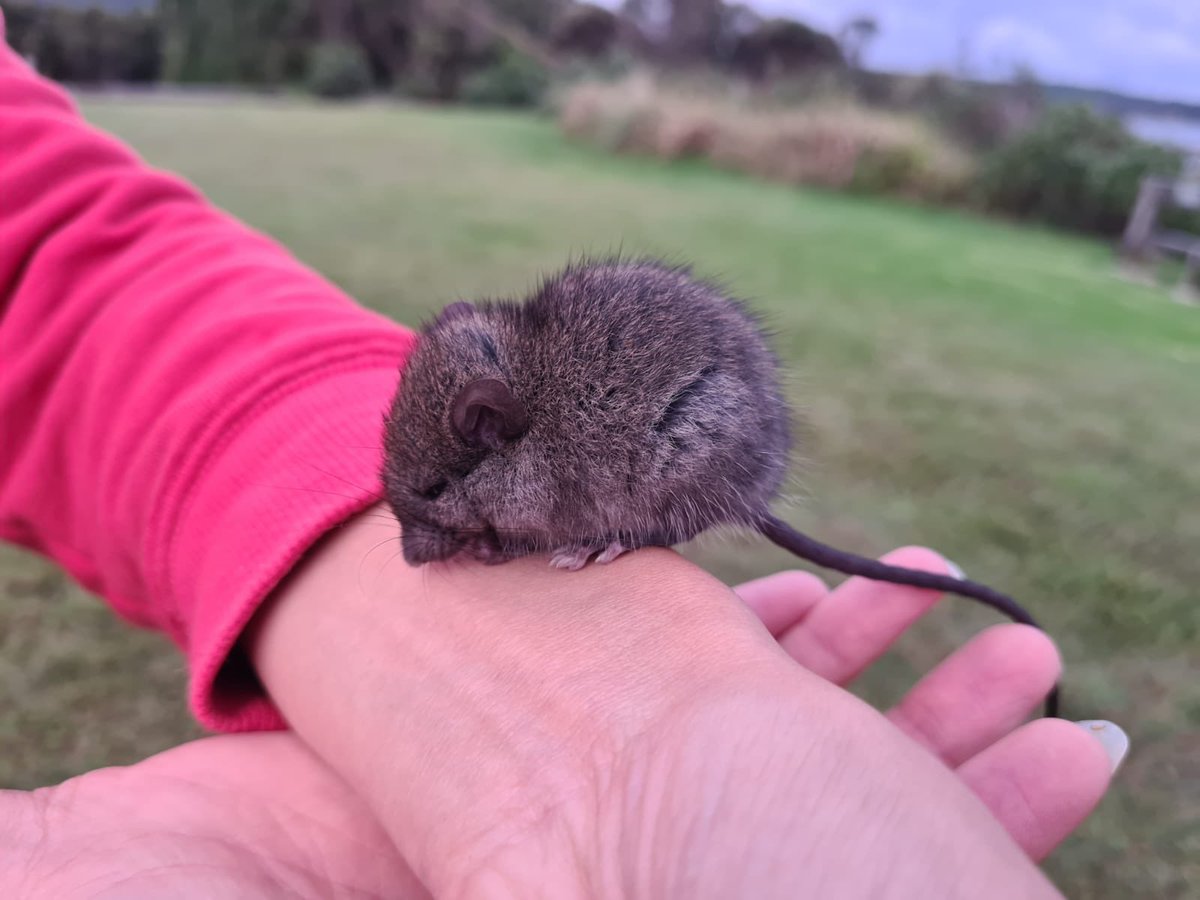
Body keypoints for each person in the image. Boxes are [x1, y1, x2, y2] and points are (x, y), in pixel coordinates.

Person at [0, 19, 1124, 899]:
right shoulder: (492, 423)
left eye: (438, 501)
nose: (430, 532)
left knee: (632, 477)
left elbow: (58, 246)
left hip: (685, 444)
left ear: (492, 429)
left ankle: (632, 529)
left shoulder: (541, 457)